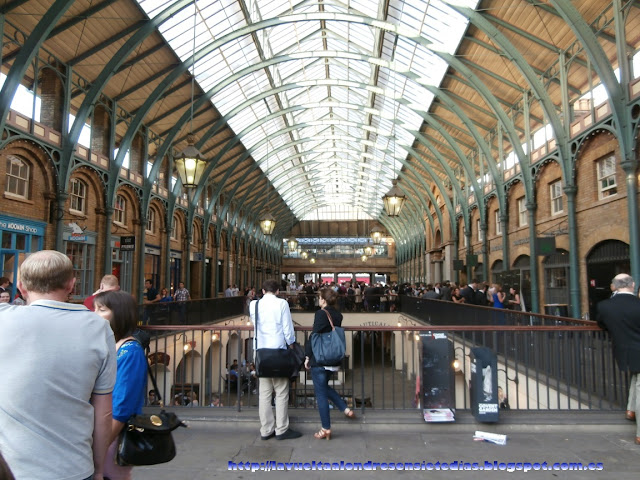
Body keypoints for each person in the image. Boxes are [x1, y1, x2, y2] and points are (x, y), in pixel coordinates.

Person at [0, 250, 116, 479]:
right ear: (71, 285)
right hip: (73, 467)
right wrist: (99, 469)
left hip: (11, 469)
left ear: (22, 287)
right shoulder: (99, 329)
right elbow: (103, 412)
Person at [94, 290, 148, 479]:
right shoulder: (114, 346)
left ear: (119, 313)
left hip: (112, 439)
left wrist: (99, 450)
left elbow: (121, 406)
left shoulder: (130, 352)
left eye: (101, 309)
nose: (95, 314)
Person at [250, 279, 301, 440]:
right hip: (278, 351)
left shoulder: (254, 305)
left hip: (261, 353)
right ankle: (281, 428)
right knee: (281, 391)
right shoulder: (282, 304)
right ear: (278, 291)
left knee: (264, 392)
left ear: (263, 291)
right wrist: (292, 344)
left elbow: (255, 324)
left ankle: (266, 429)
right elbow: (287, 328)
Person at [304, 288, 356, 440]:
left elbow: (314, 336)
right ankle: (344, 408)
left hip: (320, 359)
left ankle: (325, 428)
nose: (318, 300)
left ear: (323, 300)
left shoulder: (321, 314)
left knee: (320, 394)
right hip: (332, 359)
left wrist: (307, 356)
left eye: (319, 297)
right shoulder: (338, 315)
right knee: (324, 387)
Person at [596, 273, 640, 445]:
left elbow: (602, 324)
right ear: (632, 285)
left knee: (637, 377)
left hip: (623, 350)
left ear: (613, 286)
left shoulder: (604, 306)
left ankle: (630, 410)